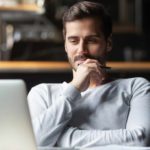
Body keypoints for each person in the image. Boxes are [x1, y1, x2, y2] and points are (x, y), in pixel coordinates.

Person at [28, 1, 150, 148]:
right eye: (73, 41)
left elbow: (140, 140)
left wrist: (63, 137)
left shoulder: (136, 87)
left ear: (108, 43)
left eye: (92, 40)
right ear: (65, 45)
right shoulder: (42, 93)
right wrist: (75, 88)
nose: (82, 50)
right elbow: (30, 143)